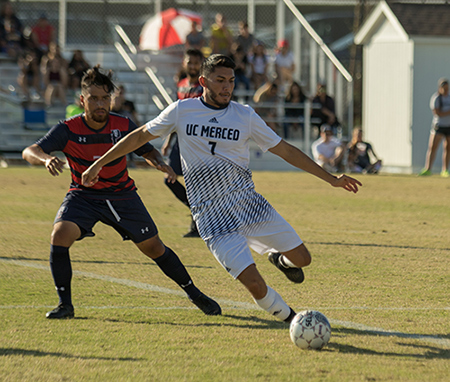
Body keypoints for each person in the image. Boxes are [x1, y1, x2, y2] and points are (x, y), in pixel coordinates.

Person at [82, 55, 361, 324]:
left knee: (303, 259)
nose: (227, 86)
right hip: (212, 216)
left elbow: (285, 150)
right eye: (219, 80)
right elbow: (140, 136)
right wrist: (99, 163)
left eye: (231, 80)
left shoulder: (245, 115)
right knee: (254, 283)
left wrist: (330, 178)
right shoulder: (182, 110)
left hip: (249, 204)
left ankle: (280, 260)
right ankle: (293, 320)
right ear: (203, 81)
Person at [22, 65, 221, 319]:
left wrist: (160, 164)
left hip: (123, 196)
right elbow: (30, 151)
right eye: (94, 98)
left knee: (154, 247)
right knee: (60, 234)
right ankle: (65, 305)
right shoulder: (68, 129)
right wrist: (45, 159)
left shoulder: (122, 124)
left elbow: (147, 150)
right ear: (83, 100)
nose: (100, 104)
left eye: (105, 98)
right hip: (84, 196)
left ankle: (194, 293)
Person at [161, 48, 204, 238]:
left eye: (196, 62)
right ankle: (196, 209)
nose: (192, 66)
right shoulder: (181, 85)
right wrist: (169, 140)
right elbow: (175, 115)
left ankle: (197, 225)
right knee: (169, 178)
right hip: (180, 141)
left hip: (198, 143)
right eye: (190, 62)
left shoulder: (204, 87)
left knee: (195, 182)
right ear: (184, 63)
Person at [419, 77, 450, 177]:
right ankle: (428, 169)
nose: (446, 90)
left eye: (447, 88)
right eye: (444, 88)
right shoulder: (436, 98)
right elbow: (437, 113)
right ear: (440, 88)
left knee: (447, 148)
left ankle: (445, 170)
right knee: (433, 147)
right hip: (439, 126)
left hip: (448, 126)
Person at [40, 42, 68, 107]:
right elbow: (45, 82)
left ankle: (64, 105)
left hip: (60, 88)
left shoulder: (62, 70)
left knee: (60, 87)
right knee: (51, 87)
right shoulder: (47, 69)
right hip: (50, 87)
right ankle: (49, 104)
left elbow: (64, 83)